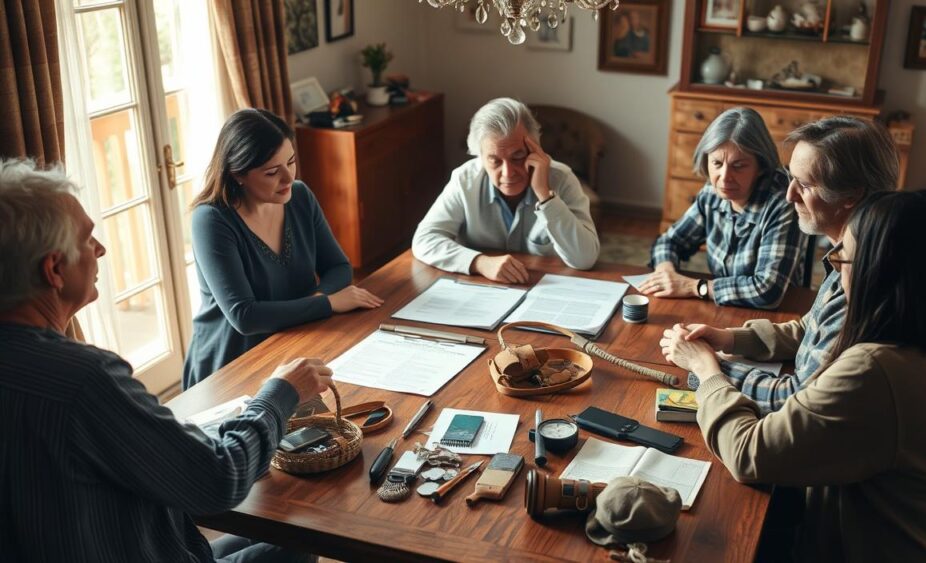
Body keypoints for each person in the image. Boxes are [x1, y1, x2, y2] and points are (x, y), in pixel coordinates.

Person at [0, 158, 328, 562]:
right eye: (87, 239)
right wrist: (280, 393)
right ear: (54, 269)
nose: (100, 249)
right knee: (309, 537)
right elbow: (218, 481)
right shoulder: (84, 380)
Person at [660, 190, 926, 560]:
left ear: (880, 274)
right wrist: (733, 339)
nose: (837, 267)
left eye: (844, 257)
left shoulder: (876, 370)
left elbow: (748, 454)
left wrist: (706, 371)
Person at [676, 116, 900, 412]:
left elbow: (795, 400)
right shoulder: (844, 255)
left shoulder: (861, 280)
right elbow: (809, 329)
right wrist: (730, 339)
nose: (789, 194)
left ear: (851, 195)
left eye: (804, 185)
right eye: (791, 178)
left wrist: (708, 368)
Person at [184, 109, 382, 389]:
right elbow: (245, 316)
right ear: (238, 174)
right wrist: (327, 303)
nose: (288, 179)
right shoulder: (211, 220)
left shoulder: (299, 195)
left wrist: (314, 304)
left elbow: (338, 267)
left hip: (293, 344)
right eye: (272, 172)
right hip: (231, 365)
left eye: (290, 162)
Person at [412, 97, 599, 283]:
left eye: (517, 157)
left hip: (545, 289)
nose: (508, 173)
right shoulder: (465, 179)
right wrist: (479, 262)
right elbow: (424, 240)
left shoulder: (562, 179)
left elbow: (584, 259)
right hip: (482, 289)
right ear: (480, 157)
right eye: (495, 160)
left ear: (535, 150)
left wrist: (545, 195)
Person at [640, 107, 807, 310]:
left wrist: (694, 287)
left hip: (778, 318)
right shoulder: (711, 193)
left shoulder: (783, 204)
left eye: (738, 166)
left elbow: (767, 291)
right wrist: (665, 271)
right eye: (717, 163)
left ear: (761, 166)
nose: (724, 177)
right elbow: (669, 241)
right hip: (724, 307)